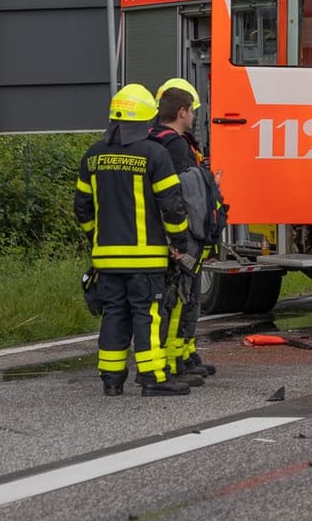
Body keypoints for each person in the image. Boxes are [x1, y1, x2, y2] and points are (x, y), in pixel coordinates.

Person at [75, 84, 195, 397]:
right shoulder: (154, 154)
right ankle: (153, 377)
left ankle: (112, 380)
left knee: (114, 314)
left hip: (106, 259)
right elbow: (172, 205)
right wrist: (179, 241)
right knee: (148, 314)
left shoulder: (94, 155)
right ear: (146, 119)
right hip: (146, 258)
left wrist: (95, 240)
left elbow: (82, 208)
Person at [149, 77, 220, 387]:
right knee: (182, 297)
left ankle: (183, 355)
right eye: (192, 111)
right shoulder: (176, 145)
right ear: (181, 112)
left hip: (168, 233)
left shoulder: (152, 139)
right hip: (185, 234)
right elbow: (181, 194)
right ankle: (176, 360)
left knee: (178, 298)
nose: (194, 116)